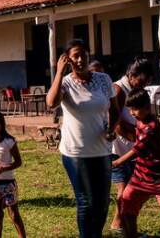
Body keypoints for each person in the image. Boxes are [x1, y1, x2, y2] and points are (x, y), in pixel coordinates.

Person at [46, 39, 120, 238]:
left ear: (89, 54)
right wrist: (59, 73)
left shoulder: (103, 79)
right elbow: (51, 103)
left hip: (103, 150)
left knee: (102, 201)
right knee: (86, 201)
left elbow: (114, 109)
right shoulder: (66, 83)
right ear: (68, 60)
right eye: (75, 56)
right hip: (76, 152)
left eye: (83, 54)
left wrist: (112, 129)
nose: (80, 59)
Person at [113, 88, 160, 238]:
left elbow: (136, 149)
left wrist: (117, 162)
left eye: (135, 109)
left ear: (147, 108)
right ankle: (132, 234)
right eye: (130, 109)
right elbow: (133, 135)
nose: (132, 113)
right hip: (140, 176)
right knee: (127, 203)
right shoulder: (140, 121)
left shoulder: (152, 126)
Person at [109, 58, 154, 233]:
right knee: (124, 189)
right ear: (132, 75)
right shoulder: (119, 89)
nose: (142, 86)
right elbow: (117, 124)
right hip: (118, 150)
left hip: (130, 148)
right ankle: (120, 225)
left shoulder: (133, 89)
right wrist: (140, 140)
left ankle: (119, 223)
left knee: (132, 188)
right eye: (142, 82)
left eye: (147, 83)